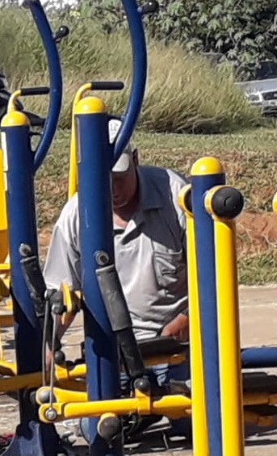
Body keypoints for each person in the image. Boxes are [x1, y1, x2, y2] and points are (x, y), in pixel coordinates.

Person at [43, 118, 190, 384]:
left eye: (119, 178)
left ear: (135, 159)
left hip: (176, 346)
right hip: (113, 353)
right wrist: (48, 345)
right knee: (100, 424)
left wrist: (187, 318)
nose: (112, 188)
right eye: (102, 179)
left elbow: (214, 273)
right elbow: (60, 294)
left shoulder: (175, 194)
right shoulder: (75, 216)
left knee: (195, 419)